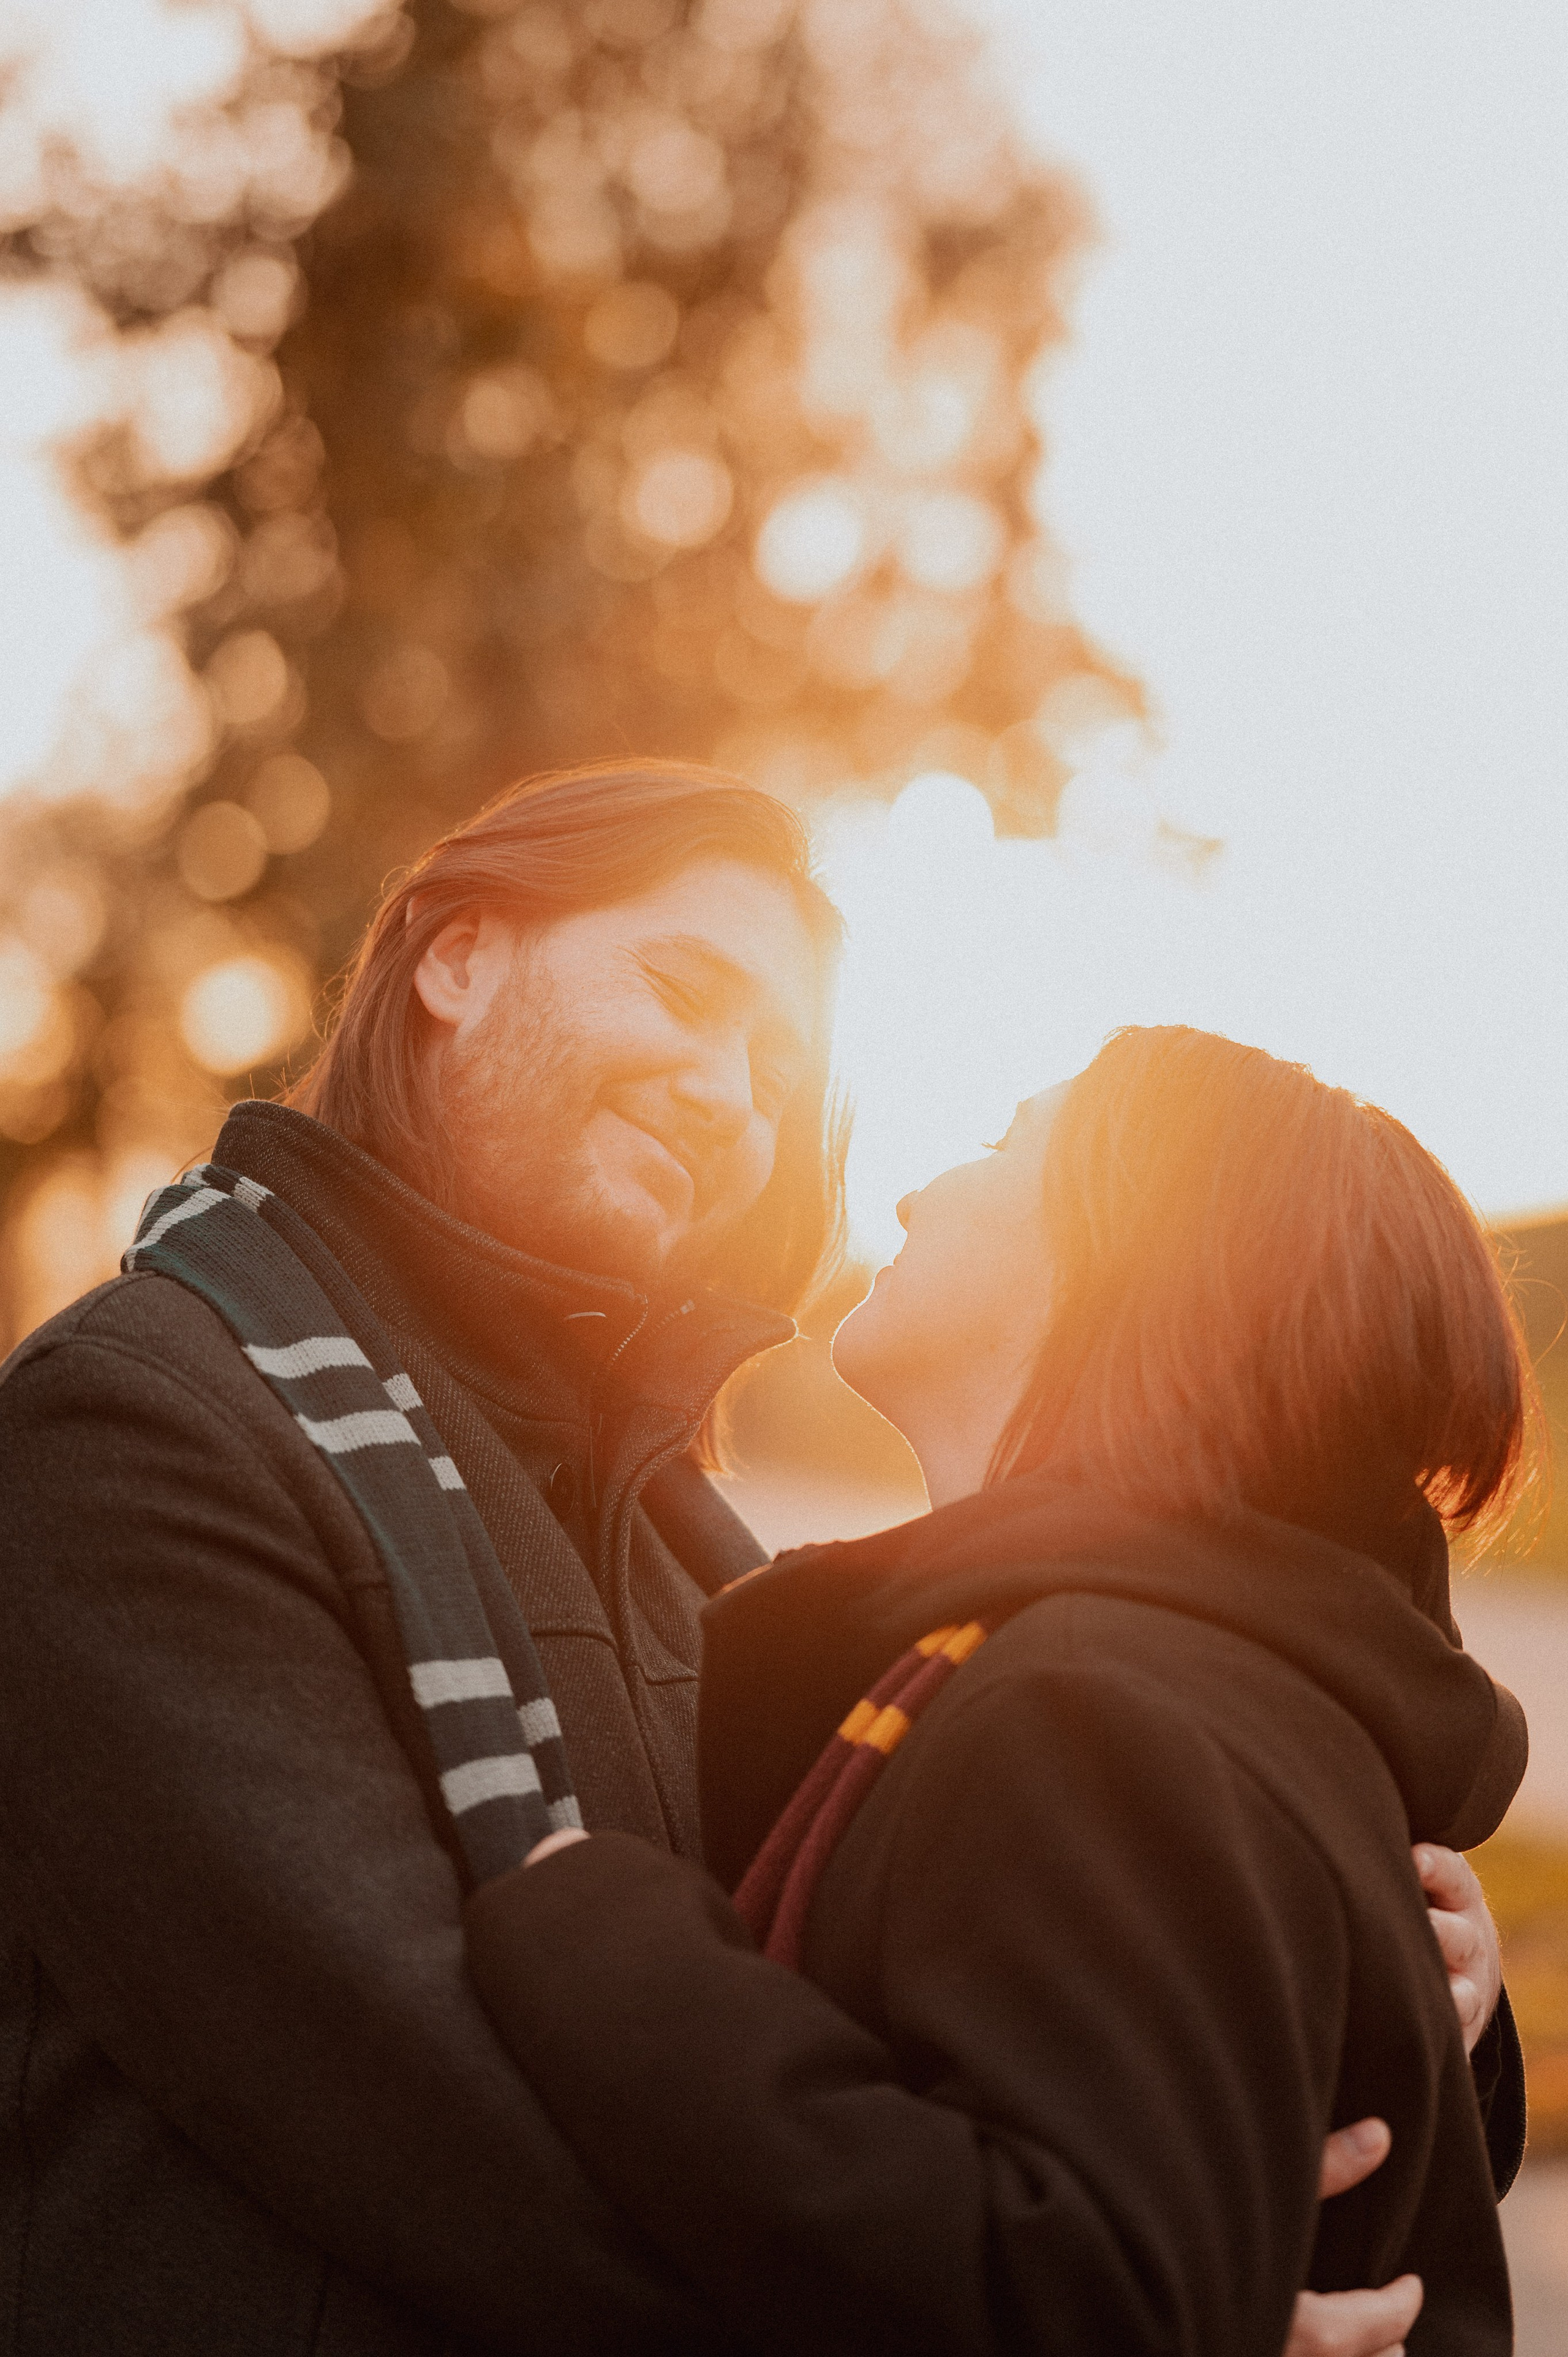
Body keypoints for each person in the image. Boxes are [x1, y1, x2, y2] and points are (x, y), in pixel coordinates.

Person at [0, 762, 1511, 2357]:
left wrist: (1358, 1999)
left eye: (781, 1071)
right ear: (457, 957)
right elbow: (422, 2118)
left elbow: (917, 2051)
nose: (730, 1094)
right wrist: (1111, 2321)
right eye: (683, 988)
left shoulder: (685, 1541)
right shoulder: (144, 1427)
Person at [462, 1027, 1532, 2357]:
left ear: (1136, 1260)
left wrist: (612, 1953)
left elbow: (1084, 2297)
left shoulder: (1096, 1705)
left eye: (996, 1146)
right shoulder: (1135, 1673)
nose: (914, 1192)